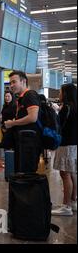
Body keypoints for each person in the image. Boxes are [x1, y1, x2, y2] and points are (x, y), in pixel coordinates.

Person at [4, 71, 41, 173]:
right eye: (10, 83)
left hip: (30, 144)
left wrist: (13, 123)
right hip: (23, 143)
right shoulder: (21, 98)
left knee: (27, 175)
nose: (11, 85)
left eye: (14, 82)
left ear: (23, 81)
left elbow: (33, 117)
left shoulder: (30, 95)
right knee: (21, 173)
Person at [52, 83, 77, 216]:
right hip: (74, 144)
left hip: (66, 144)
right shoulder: (74, 107)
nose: (59, 94)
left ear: (66, 93)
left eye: (61, 92)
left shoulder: (66, 108)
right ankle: (73, 201)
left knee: (65, 174)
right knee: (72, 172)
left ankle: (66, 206)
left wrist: (56, 111)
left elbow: (59, 124)